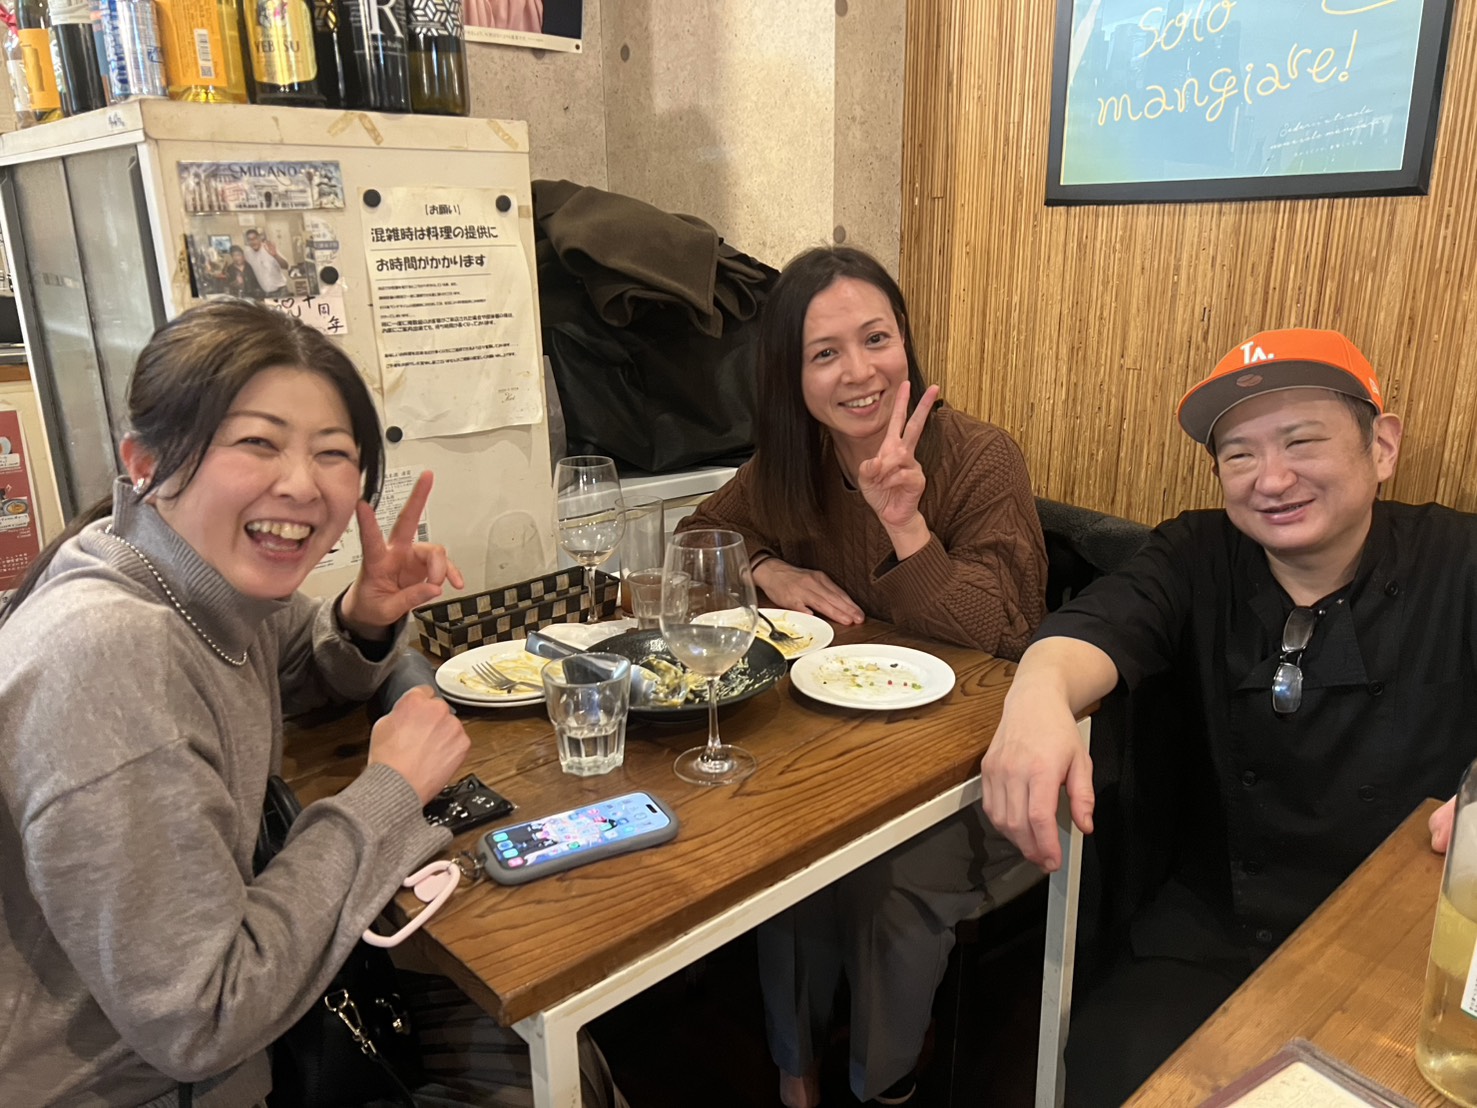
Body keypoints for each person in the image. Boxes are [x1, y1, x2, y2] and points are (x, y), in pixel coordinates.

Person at [0, 301, 626, 1107]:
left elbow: (293, 660)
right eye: (257, 443)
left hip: (248, 1031)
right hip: (154, 1081)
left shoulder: (184, 575)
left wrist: (363, 618)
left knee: (565, 1054)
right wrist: (390, 790)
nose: (300, 483)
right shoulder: (108, 655)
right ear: (146, 461)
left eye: (332, 453)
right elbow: (203, 1018)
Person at [980, 327, 1477, 1106]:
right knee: (1112, 1064)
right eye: (1238, 455)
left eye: (1300, 441)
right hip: (1213, 930)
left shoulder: (1459, 560)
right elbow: (1094, 626)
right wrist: (1036, 695)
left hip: (1403, 940)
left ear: (1381, 447)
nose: (1270, 478)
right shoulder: (1197, 551)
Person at [681, 245, 1047, 1107]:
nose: (858, 372)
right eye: (824, 353)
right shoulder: (792, 463)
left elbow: (1005, 631)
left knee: (885, 881)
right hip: (839, 754)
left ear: (905, 341)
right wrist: (767, 568)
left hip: (970, 767)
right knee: (778, 843)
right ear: (791, 376)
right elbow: (699, 534)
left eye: (875, 339)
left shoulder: (979, 457)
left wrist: (907, 527)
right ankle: (796, 1065)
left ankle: (883, 1083)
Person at [243, 226, 290, 297]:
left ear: (259, 238)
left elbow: (286, 266)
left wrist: (275, 255)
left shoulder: (268, 248)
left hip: (281, 291)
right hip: (266, 293)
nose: (253, 242)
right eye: (249, 240)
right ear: (247, 242)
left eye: (254, 238)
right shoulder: (248, 253)